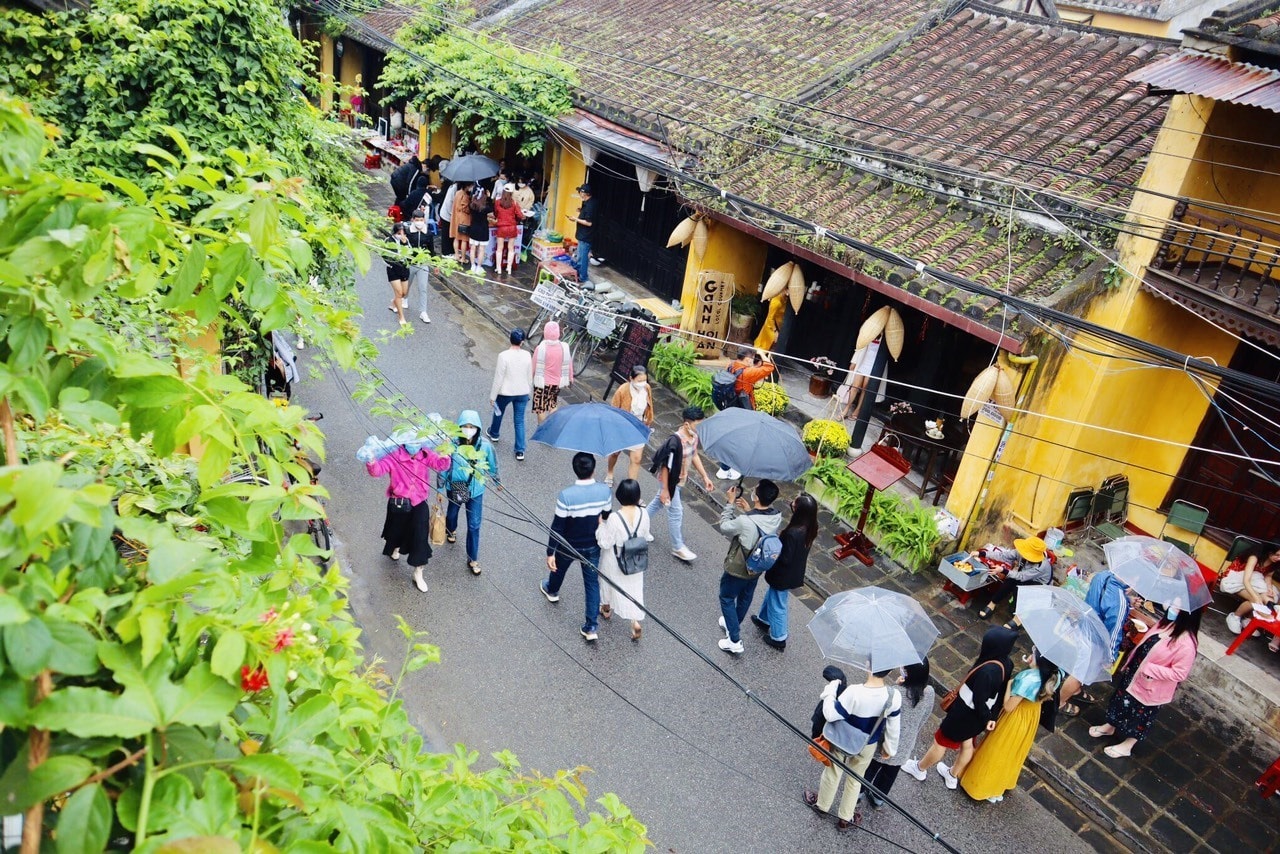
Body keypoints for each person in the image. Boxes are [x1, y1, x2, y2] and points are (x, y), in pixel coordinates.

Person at [902, 625, 1018, 788]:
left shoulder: (987, 670)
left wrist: (986, 718)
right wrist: (990, 717)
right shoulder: (1007, 664)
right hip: (977, 719)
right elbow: (1000, 691)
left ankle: (920, 768)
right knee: (967, 743)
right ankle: (952, 775)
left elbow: (978, 699)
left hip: (964, 714)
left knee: (940, 742)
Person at [1090, 606, 1200, 758]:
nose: (1170, 607)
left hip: (1151, 686)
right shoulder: (1166, 624)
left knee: (1140, 715)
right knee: (1121, 701)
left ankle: (1128, 745)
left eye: (1177, 606)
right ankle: (1111, 726)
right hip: (1135, 674)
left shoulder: (1187, 644)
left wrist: (1150, 669)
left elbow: (1179, 673)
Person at [804, 668, 902, 832]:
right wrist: (889, 749)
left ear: (869, 666)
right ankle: (845, 818)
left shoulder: (854, 691)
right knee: (856, 778)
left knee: (833, 771)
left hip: (842, 738)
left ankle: (822, 806)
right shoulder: (893, 696)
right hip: (867, 743)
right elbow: (893, 728)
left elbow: (830, 714)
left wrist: (830, 691)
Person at [961, 647, 1062, 803]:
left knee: (997, 750)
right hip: (1031, 716)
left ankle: (980, 786)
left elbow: (1008, 706)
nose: (1030, 655)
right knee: (1012, 753)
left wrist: (1009, 684)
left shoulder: (1028, 679)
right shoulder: (1056, 676)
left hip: (1015, 718)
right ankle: (999, 785)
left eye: (1033, 655)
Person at [361, 432, 451, 593]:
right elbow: (377, 471)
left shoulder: (425, 453)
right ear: (403, 443)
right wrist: (371, 459)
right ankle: (395, 547)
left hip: (419, 503)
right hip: (399, 502)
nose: (414, 446)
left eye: (417, 442)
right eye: (411, 442)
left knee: (420, 538)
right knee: (395, 532)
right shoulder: (394, 456)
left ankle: (418, 572)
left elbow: (441, 465)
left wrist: (445, 450)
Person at [541, 453, 613, 642]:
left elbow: (557, 526)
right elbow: (606, 515)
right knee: (591, 584)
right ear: (593, 469)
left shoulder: (566, 495)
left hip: (568, 544)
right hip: (593, 545)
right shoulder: (604, 491)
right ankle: (591, 627)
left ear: (575, 469)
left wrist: (551, 552)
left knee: (559, 569)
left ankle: (552, 590)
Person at [715, 479, 782, 655]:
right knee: (745, 597)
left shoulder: (745, 521)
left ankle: (735, 639)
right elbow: (759, 528)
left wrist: (730, 503)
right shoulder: (775, 517)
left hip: (739, 566)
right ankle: (732, 624)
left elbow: (725, 527)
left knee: (727, 597)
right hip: (757, 566)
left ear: (757, 498)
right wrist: (748, 510)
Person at [647, 406, 716, 563]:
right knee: (676, 511)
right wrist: (665, 489)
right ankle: (678, 547)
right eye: (698, 425)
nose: (700, 429)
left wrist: (705, 476)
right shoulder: (675, 442)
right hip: (670, 482)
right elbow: (665, 467)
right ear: (687, 424)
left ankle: (637, 525)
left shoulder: (693, 437)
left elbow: (695, 455)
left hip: (679, 481)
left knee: (657, 503)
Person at [863, 660, 935, 809]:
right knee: (889, 776)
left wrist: (896, 685)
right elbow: (924, 718)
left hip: (884, 744)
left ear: (906, 673)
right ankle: (878, 799)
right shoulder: (929, 693)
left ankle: (858, 794)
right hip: (905, 746)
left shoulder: (894, 693)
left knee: (869, 770)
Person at [751, 492, 817, 650]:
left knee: (778, 603)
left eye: (795, 504)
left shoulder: (792, 533)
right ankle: (764, 619)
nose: (792, 504)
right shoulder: (810, 528)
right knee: (772, 596)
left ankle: (779, 637)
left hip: (782, 574)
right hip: (793, 573)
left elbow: (784, 558)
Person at [1060, 569, 1130, 717]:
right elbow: (1114, 632)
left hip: (1082, 626)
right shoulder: (1120, 602)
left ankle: (1076, 691)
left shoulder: (1103, 575)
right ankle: (1060, 702)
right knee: (1080, 674)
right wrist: (1110, 657)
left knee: (1077, 665)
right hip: (1095, 640)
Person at [441, 410, 498, 575]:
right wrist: (439, 488)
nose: (468, 429)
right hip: (457, 486)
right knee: (452, 514)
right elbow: (444, 467)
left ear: (477, 428)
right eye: (465, 426)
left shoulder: (485, 446)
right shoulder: (451, 444)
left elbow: (492, 464)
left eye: (472, 426)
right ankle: (451, 529)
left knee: (474, 525)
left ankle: (472, 558)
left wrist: (497, 481)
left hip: (476, 490)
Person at [596, 478, 652, 641]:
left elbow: (605, 542)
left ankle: (606, 608)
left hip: (615, 558)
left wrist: (600, 525)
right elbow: (646, 535)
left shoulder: (615, 518)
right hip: (635, 559)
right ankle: (634, 621)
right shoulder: (644, 514)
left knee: (608, 583)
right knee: (633, 590)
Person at [715, 349, 777, 480]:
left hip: (729, 407)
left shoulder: (731, 365)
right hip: (742, 409)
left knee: (729, 438)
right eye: (753, 358)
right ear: (748, 359)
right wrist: (762, 353)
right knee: (741, 440)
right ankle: (735, 468)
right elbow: (769, 367)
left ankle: (724, 468)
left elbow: (745, 373)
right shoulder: (748, 373)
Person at [975, 536, 1053, 624]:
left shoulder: (1041, 566)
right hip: (1022, 575)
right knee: (1010, 580)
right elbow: (1003, 556)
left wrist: (1003, 570)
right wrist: (982, 554)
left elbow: (1022, 576)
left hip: (1037, 584)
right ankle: (992, 603)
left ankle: (1018, 619)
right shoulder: (1022, 551)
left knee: (1020, 589)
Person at [488, 328, 533, 461]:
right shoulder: (527, 355)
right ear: (522, 342)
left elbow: (499, 378)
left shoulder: (503, 356)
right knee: (519, 420)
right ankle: (520, 450)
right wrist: (528, 389)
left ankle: (494, 433)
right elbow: (529, 375)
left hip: (506, 392)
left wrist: (493, 396)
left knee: (498, 412)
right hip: (522, 392)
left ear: (510, 338)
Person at [1222, 542, 1280, 643]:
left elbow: (1268, 576)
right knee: (1255, 599)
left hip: (1255, 580)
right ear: (1269, 551)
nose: (1278, 558)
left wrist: (1269, 587)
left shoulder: (1275, 562)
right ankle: (1235, 616)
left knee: (1271, 597)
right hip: (1236, 578)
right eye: (1277, 555)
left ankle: (1248, 618)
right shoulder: (1254, 557)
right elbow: (1246, 580)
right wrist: (1256, 596)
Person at [606, 365, 653, 485]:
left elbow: (649, 406)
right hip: (622, 425)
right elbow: (614, 409)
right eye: (639, 381)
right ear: (631, 378)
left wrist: (648, 421)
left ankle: (632, 485)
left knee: (636, 459)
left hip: (638, 426)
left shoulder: (647, 388)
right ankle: (610, 472)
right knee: (615, 453)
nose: (642, 383)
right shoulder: (622, 390)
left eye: (644, 380)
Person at [532, 320, 573, 425]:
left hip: (542, 383)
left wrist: (529, 377)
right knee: (552, 404)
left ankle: (542, 427)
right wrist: (570, 378)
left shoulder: (540, 348)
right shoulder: (564, 347)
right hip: (556, 383)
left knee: (540, 407)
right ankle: (552, 426)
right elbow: (569, 364)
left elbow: (534, 365)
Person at [836, 340, 881, 421]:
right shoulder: (869, 332)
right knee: (854, 387)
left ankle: (857, 410)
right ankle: (846, 409)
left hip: (873, 367)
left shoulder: (887, 336)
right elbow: (860, 346)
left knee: (865, 389)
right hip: (862, 362)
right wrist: (854, 361)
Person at [405, 208, 435, 325]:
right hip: (410, 264)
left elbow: (431, 250)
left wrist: (435, 264)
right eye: (417, 220)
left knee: (423, 288)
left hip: (423, 264)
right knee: (407, 285)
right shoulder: (408, 232)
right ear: (413, 220)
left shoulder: (428, 233)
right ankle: (405, 298)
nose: (419, 222)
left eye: (421, 220)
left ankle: (423, 311)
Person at [566, 183, 597, 285]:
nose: (579, 194)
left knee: (583, 258)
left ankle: (583, 278)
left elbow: (589, 222)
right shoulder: (588, 203)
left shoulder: (590, 206)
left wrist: (575, 219)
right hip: (582, 235)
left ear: (585, 193)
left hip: (586, 236)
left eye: (580, 192)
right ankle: (578, 274)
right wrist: (581, 211)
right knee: (579, 256)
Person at [492, 185, 525, 276]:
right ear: (511, 193)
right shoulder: (514, 203)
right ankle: (509, 268)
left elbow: (495, 213)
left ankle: (498, 268)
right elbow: (520, 216)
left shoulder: (498, 202)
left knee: (499, 249)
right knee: (511, 248)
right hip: (511, 228)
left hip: (501, 228)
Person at [385, 222, 411, 327]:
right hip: (393, 269)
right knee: (399, 293)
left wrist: (404, 243)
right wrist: (394, 262)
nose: (401, 235)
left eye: (403, 233)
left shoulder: (406, 240)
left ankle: (393, 303)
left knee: (404, 293)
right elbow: (385, 256)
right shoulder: (388, 241)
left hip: (404, 268)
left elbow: (409, 252)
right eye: (399, 233)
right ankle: (401, 317)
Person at [467, 185, 492, 275]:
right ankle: (479, 267)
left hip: (473, 229)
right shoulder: (485, 208)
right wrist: (489, 198)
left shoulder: (472, 205)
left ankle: (472, 265)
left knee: (473, 248)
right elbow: (492, 209)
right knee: (481, 249)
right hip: (483, 230)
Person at [450, 181, 473, 264]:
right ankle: (463, 258)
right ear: (467, 186)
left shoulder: (457, 193)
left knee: (456, 238)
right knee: (464, 240)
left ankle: (456, 255)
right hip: (464, 219)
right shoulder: (465, 196)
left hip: (456, 218)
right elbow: (466, 209)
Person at [439, 179, 457, 258]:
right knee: (446, 234)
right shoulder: (454, 188)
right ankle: (445, 253)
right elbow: (450, 202)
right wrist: (452, 215)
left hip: (448, 213)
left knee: (449, 234)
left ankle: (450, 251)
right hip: (447, 214)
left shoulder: (453, 187)